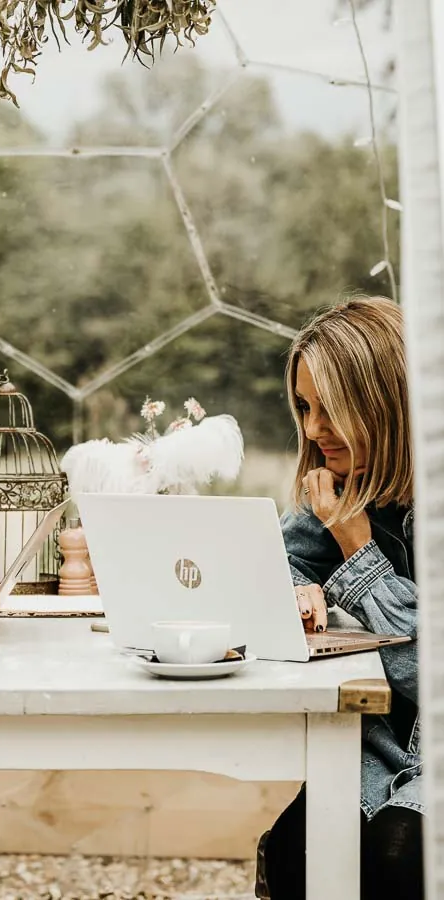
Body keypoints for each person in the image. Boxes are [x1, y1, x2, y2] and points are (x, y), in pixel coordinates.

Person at [260, 297, 422, 899]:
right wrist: (296, 586)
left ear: (385, 401)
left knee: (399, 854)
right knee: (294, 849)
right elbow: (270, 559)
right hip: (376, 750)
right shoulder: (347, 489)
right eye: (305, 407)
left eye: (332, 410)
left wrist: (358, 551)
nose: (311, 430)